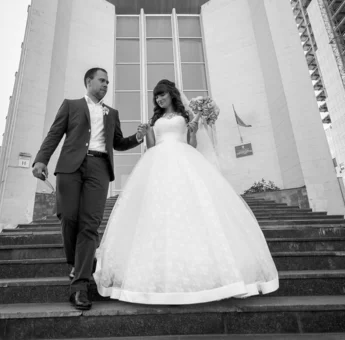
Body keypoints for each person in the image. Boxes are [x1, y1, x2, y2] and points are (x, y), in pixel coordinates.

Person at [93, 79, 279, 304]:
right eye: (156, 97)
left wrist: (193, 131)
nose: (160, 99)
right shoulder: (156, 120)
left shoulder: (186, 117)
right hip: (157, 162)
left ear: (172, 94)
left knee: (192, 207)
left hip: (184, 159)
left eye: (162, 95)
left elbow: (192, 144)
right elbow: (151, 146)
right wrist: (145, 132)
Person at [32, 68, 146, 310]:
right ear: (88, 81)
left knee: (90, 224)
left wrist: (136, 137)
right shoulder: (71, 105)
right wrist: (41, 159)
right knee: (68, 216)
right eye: (102, 80)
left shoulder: (111, 113)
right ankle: (78, 261)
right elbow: (54, 134)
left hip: (99, 168)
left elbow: (118, 143)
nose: (106, 84)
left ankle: (80, 286)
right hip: (70, 168)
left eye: (108, 82)